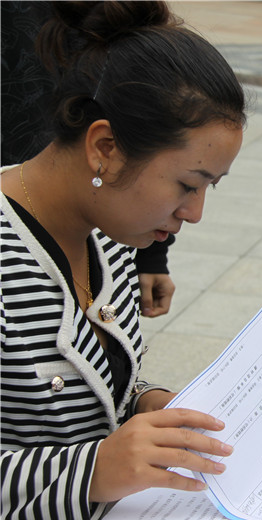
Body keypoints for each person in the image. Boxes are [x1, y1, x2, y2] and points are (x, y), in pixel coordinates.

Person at [0, 2, 246, 520]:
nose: (195, 213)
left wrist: (147, 403)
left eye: (210, 187)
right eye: (187, 184)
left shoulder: (109, 237)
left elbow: (98, 388)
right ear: (105, 148)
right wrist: (93, 471)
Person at [1, 0, 176, 319]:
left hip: (96, 218)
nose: (194, 213)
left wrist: (152, 253)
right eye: (189, 185)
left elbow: (149, 110)